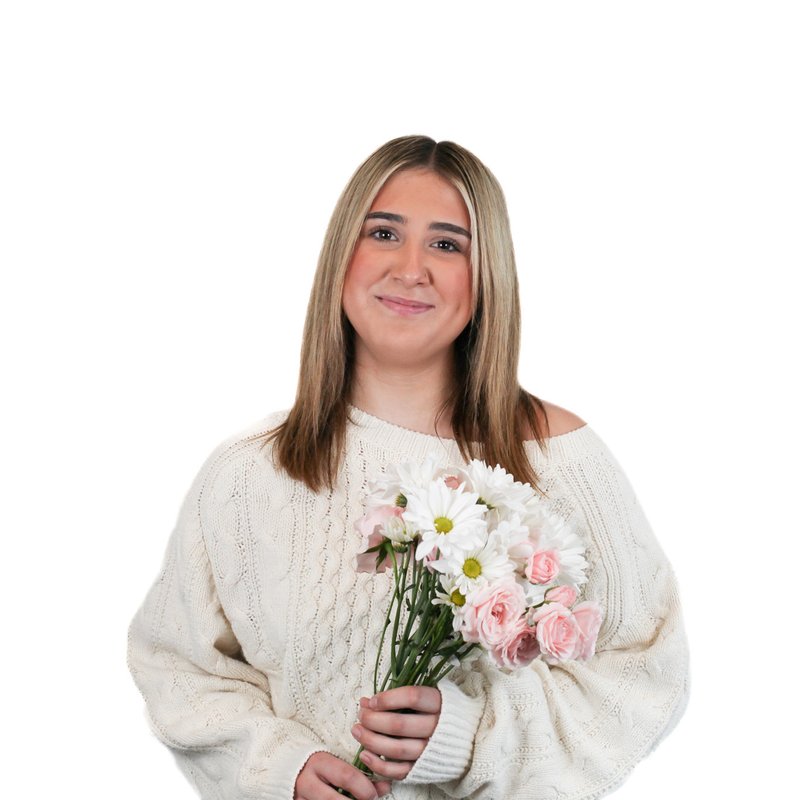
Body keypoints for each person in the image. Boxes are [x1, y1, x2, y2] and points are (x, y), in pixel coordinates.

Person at [127, 135, 689, 800]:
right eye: (384, 233)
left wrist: (470, 737)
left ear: (486, 280)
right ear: (343, 256)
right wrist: (282, 768)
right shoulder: (248, 474)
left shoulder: (557, 459)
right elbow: (178, 665)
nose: (411, 267)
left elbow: (647, 673)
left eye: (448, 243)